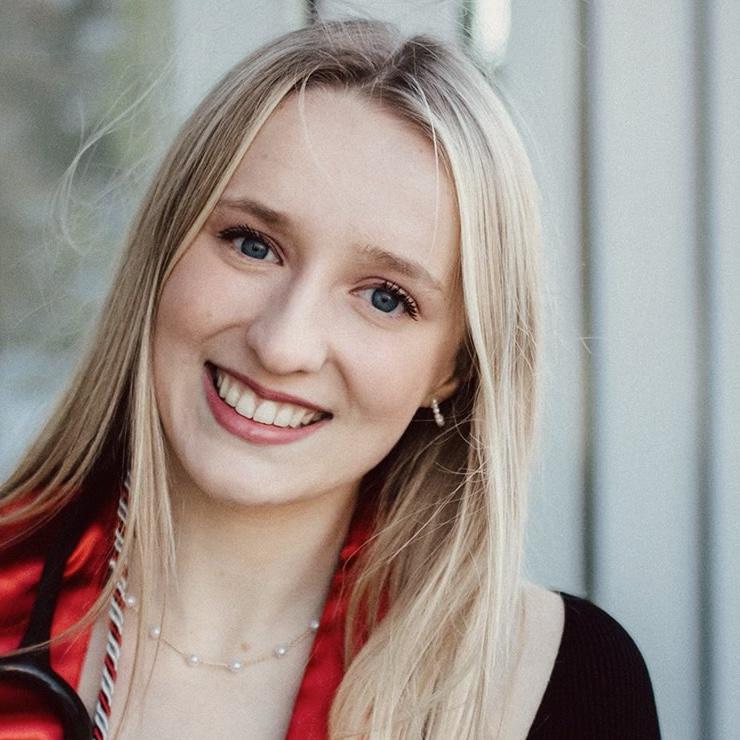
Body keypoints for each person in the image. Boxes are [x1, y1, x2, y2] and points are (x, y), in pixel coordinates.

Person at [0, 19, 661, 739]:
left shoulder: (559, 681)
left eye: (385, 298)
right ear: (165, 251)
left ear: (454, 369)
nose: (283, 344)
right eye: (252, 244)